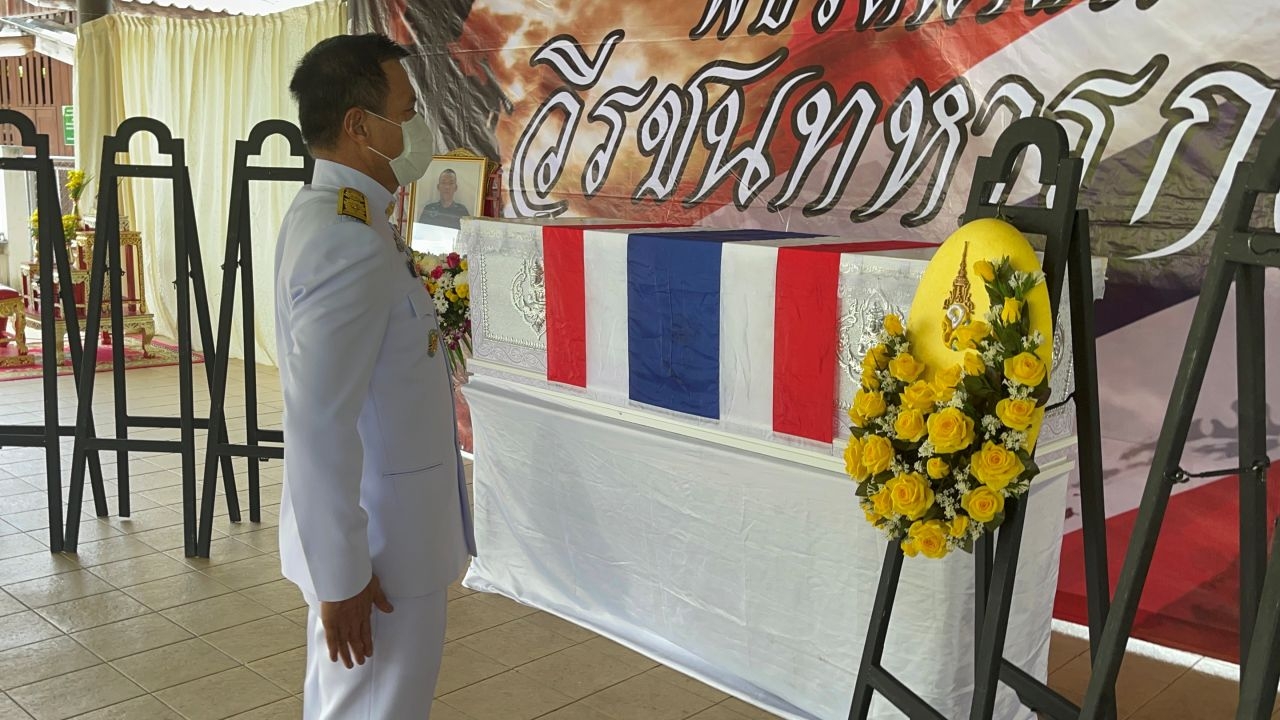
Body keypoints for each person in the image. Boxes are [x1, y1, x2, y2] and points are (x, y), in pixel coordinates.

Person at [275, 33, 475, 719]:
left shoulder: (351, 219)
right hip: (380, 559)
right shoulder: (346, 238)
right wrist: (342, 575)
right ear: (361, 126)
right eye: (407, 109)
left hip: (382, 545)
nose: (417, 127)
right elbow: (317, 421)